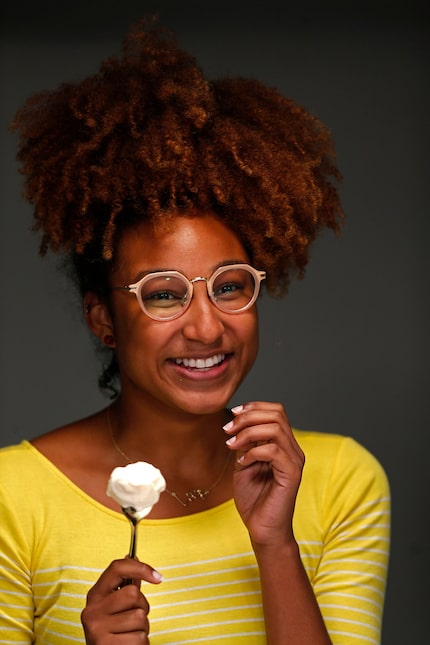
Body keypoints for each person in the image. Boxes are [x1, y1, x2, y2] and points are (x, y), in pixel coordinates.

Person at [0, 17, 390, 645]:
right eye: (163, 296)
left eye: (230, 285)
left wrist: (275, 545)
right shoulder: (11, 498)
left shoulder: (341, 479)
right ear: (103, 317)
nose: (206, 327)